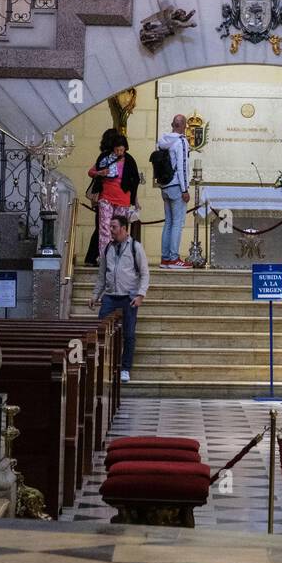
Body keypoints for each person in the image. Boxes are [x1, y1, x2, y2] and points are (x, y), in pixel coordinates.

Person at [90, 211, 149, 384]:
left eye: (114, 227)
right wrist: (95, 295)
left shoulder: (135, 247)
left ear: (124, 229)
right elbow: (102, 275)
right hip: (109, 296)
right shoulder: (107, 248)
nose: (111, 230)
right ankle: (102, 364)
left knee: (129, 334)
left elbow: (145, 274)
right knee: (101, 331)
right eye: (110, 227)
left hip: (129, 297)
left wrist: (140, 295)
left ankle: (125, 368)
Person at [87, 130, 140, 257]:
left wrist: (136, 200)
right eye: (117, 150)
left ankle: (119, 255)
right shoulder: (105, 157)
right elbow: (91, 172)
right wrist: (100, 173)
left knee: (120, 229)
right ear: (113, 148)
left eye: (122, 150)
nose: (119, 153)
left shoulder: (129, 160)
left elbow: (134, 181)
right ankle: (105, 257)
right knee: (105, 228)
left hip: (123, 199)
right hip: (106, 197)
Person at [156, 114, 192, 269]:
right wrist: (185, 189)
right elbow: (182, 166)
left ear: (172, 124)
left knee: (169, 222)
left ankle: (165, 258)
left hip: (165, 186)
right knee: (177, 223)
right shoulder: (181, 141)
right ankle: (174, 258)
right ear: (183, 126)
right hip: (177, 186)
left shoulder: (163, 141)